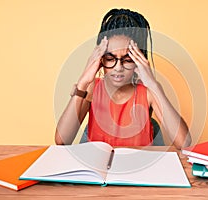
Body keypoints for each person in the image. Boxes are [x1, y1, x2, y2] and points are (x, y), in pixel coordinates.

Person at [55, 8, 191, 149]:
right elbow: (62, 141)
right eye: (110, 58)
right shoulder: (91, 88)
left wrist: (153, 84)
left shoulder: (148, 91)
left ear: (138, 60)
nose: (118, 67)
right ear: (100, 59)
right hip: (98, 168)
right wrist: (83, 82)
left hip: (139, 167)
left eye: (127, 60)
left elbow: (184, 143)